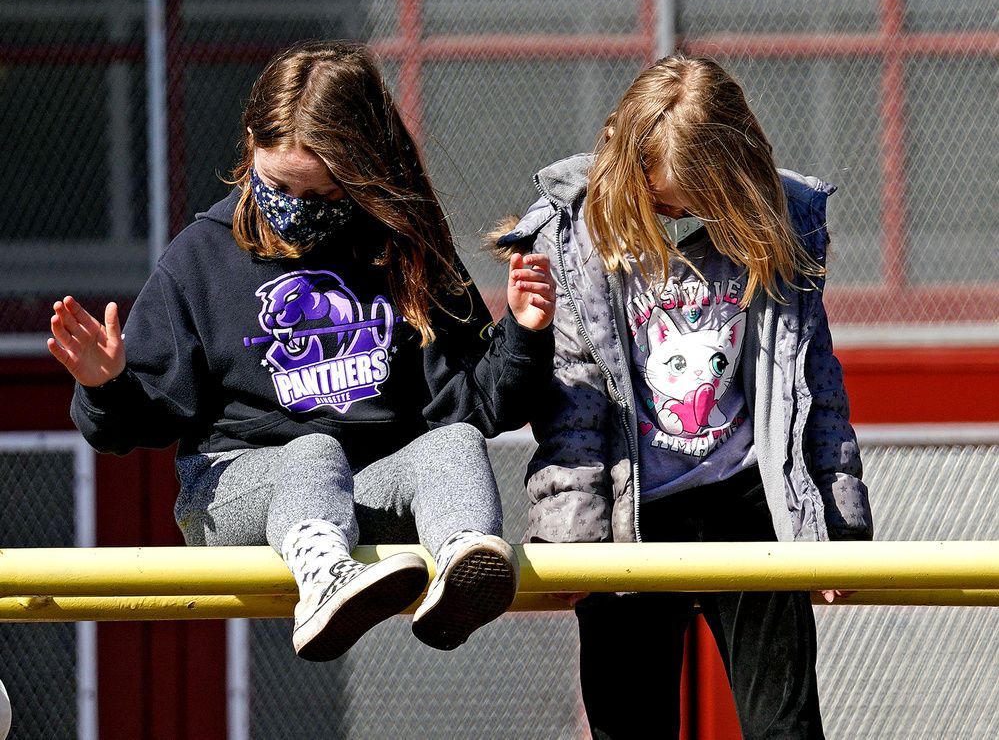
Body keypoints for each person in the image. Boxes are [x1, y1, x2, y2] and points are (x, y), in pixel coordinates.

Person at [48, 40, 556, 662]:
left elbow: (476, 407)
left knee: (453, 447)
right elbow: (132, 427)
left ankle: (463, 571)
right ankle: (323, 585)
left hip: (369, 487)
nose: (295, 209)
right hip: (236, 490)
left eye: (319, 196)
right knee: (312, 452)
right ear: (250, 146)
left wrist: (525, 335)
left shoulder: (405, 247)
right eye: (277, 186)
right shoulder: (200, 258)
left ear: (360, 177)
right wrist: (110, 383)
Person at [495, 56, 872, 738]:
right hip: (631, 503)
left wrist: (835, 529)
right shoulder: (577, 235)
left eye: (696, 204)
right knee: (630, 723)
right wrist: (574, 539)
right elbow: (576, 403)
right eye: (665, 204)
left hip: (747, 497)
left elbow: (811, 379)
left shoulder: (777, 227)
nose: (676, 218)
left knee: (783, 726)